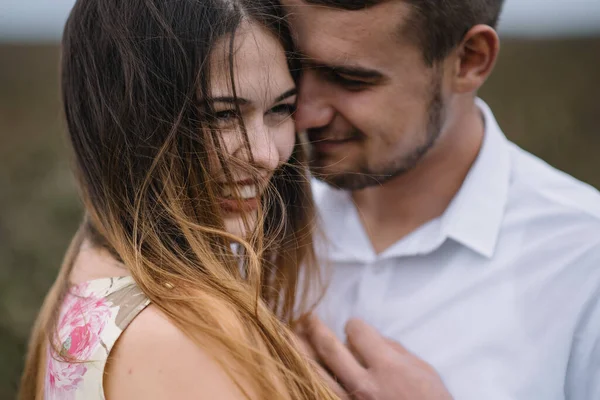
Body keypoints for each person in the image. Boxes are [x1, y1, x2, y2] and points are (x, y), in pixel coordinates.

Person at [19, 0, 339, 399]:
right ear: (123, 121)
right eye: (222, 114)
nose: (267, 155)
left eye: (280, 109)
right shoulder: (186, 335)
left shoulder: (93, 272)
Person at [282, 0, 600, 398]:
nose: (303, 116)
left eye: (350, 79)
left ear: (469, 60)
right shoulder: (250, 224)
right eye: (293, 66)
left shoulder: (586, 259)